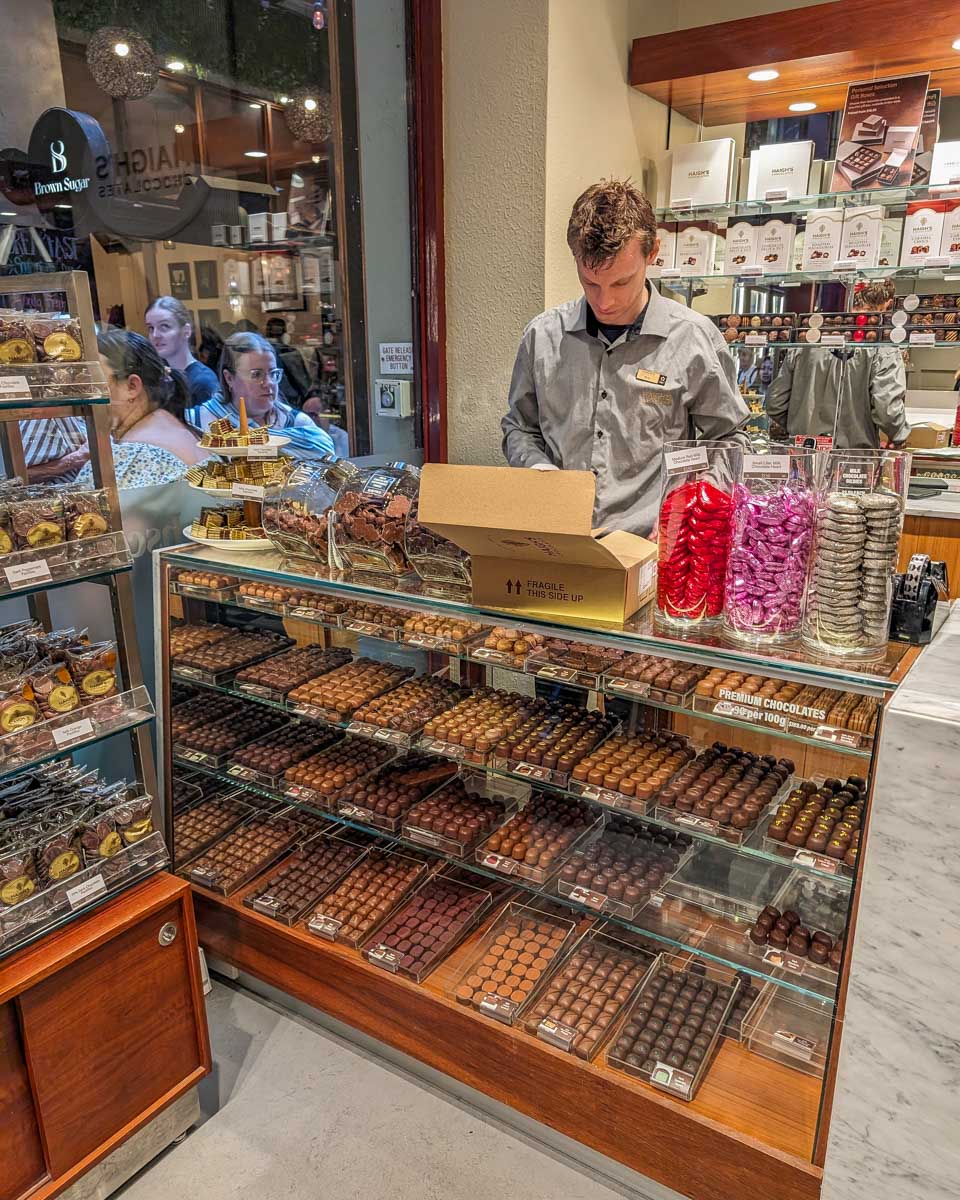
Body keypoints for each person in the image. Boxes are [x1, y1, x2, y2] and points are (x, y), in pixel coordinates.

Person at [501, 179, 748, 538]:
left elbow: (730, 440)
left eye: (620, 283)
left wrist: (691, 507)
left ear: (652, 253)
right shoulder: (542, 337)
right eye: (590, 283)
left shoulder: (694, 340)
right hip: (558, 542)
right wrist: (538, 469)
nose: (604, 302)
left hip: (654, 553)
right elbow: (519, 427)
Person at [766, 280, 909, 448]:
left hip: (802, 452)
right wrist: (899, 436)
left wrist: (798, 426)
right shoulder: (882, 347)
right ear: (888, 305)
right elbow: (887, 410)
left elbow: (775, 402)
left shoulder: (809, 338)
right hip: (853, 459)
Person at [75, 330, 205, 487]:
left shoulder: (127, 456)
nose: (82, 394)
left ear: (132, 386)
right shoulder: (186, 430)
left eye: (93, 383)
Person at [187, 331, 337, 460]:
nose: (269, 383)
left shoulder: (299, 425)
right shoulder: (200, 423)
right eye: (256, 374)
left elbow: (326, 473)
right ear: (229, 378)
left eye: (273, 374)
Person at [145, 296, 220, 407]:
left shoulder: (203, 382)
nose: (155, 335)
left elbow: (219, 423)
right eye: (151, 328)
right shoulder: (160, 377)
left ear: (186, 331)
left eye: (164, 326)